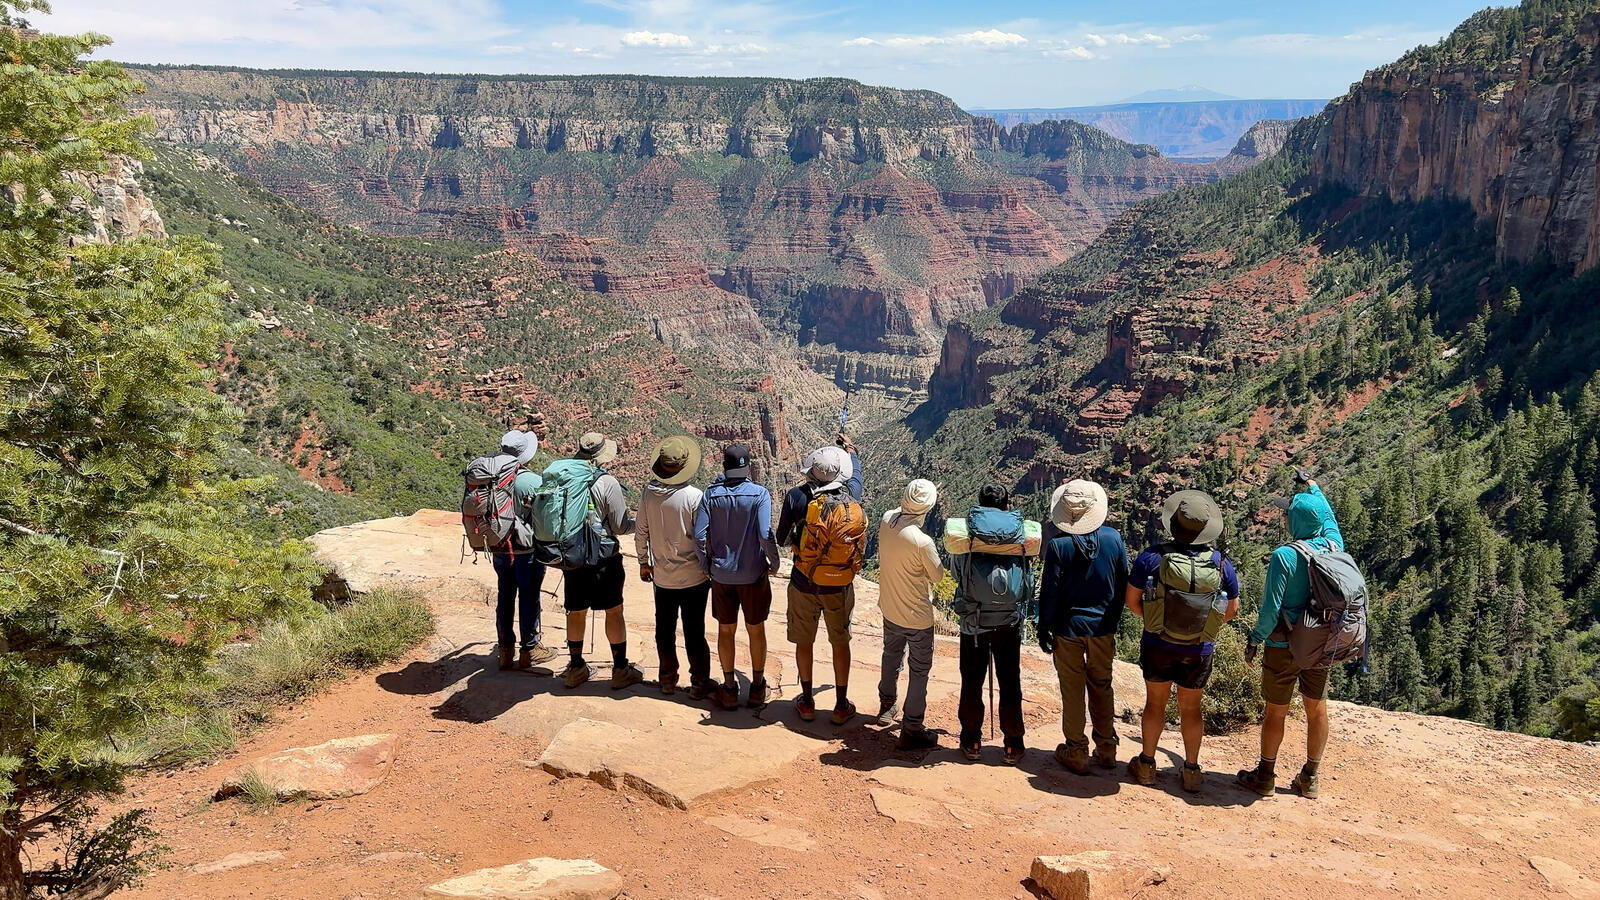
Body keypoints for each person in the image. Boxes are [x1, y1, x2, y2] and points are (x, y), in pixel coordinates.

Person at [1238, 470, 1345, 800]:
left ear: (1293, 521)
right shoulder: (1333, 543)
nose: (1284, 519)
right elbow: (1327, 515)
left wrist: (1255, 639)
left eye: (1287, 514)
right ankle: (1310, 777)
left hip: (1283, 644)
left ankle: (1266, 776)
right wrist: (1312, 484)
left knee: (1276, 711)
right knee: (1317, 709)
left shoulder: (1285, 556)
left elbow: (1270, 611)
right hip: (1321, 643)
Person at [1124, 490, 1240, 793]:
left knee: (1155, 704)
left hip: (1158, 643)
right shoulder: (1220, 563)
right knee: (1191, 709)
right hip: (1199, 648)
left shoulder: (1152, 557)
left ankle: (1147, 765)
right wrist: (1204, 627)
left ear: (1173, 525)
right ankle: (1190, 771)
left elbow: (1132, 601)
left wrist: (1154, 622)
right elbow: (1232, 609)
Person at [1039, 479, 1128, 775]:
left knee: (1073, 689)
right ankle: (1107, 748)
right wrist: (1112, 621)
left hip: (1068, 629)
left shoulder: (1058, 546)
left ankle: (1076, 749)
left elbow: (1049, 592)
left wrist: (1044, 627)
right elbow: (1122, 584)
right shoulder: (1114, 539)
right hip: (1102, 628)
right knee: (1102, 685)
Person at [776, 439, 864, 725]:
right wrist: (851, 451)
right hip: (838, 584)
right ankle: (840, 705)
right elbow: (857, 477)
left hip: (803, 582)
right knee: (840, 642)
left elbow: (780, 538)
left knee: (804, 641)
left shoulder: (795, 496)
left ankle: (807, 702)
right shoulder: (850, 498)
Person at [950, 483, 1035, 765]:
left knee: (972, 681)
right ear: (1006, 505)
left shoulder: (968, 536)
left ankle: (971, 740)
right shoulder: (1020, 536)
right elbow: (1028, 579)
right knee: (1010, 682)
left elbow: (956, 572)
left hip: (974, 623)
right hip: (1008, 623)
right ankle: (1013, 743)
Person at [694, 443, 782, 710]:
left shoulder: (711, 495)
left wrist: (706, 565)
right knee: (755, 629)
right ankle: (757, 687)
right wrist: (774, 563)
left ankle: (729, 688)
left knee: (725, 630)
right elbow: (765, 535)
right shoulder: (760, 495)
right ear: (747, 467)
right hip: (754, 575)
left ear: (724, 466)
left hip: (721, 576)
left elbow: (699, 535)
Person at [560, 432, 642, 691]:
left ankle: (575, 668)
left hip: (573, 555)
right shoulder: (607, 483)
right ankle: (619, 670)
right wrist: (638, 526)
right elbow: (618, 526)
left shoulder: (565, 477)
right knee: (613, 610)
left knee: (576, 610)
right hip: (603, 557)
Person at [637, 435, 714, 700]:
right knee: (695, 630)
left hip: (663, 578)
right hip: (694, 577)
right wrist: (707, 567)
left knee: (664, 629)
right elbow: (703, 537)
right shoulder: (695, 497)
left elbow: (641, 532)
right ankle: (699, 682)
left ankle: (667, 678)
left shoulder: (648, 493)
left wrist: (643, 563)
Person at [875, 479, 944, 750]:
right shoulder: (921, 541)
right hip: (917, 617)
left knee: (891, 655)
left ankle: (886, 707)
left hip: (890, 609)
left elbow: (898, 512)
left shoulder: (886, 520)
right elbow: (937, 576)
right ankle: (912, 727)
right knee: (919, 670)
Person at [490, 430, 557, 671]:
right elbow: (548, 517)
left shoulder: (491, 476)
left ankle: (505, 650)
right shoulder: (532, 481)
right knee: (529, 595)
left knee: (505, 595)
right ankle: (530, 648)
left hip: (499, 547)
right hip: (526, 551)